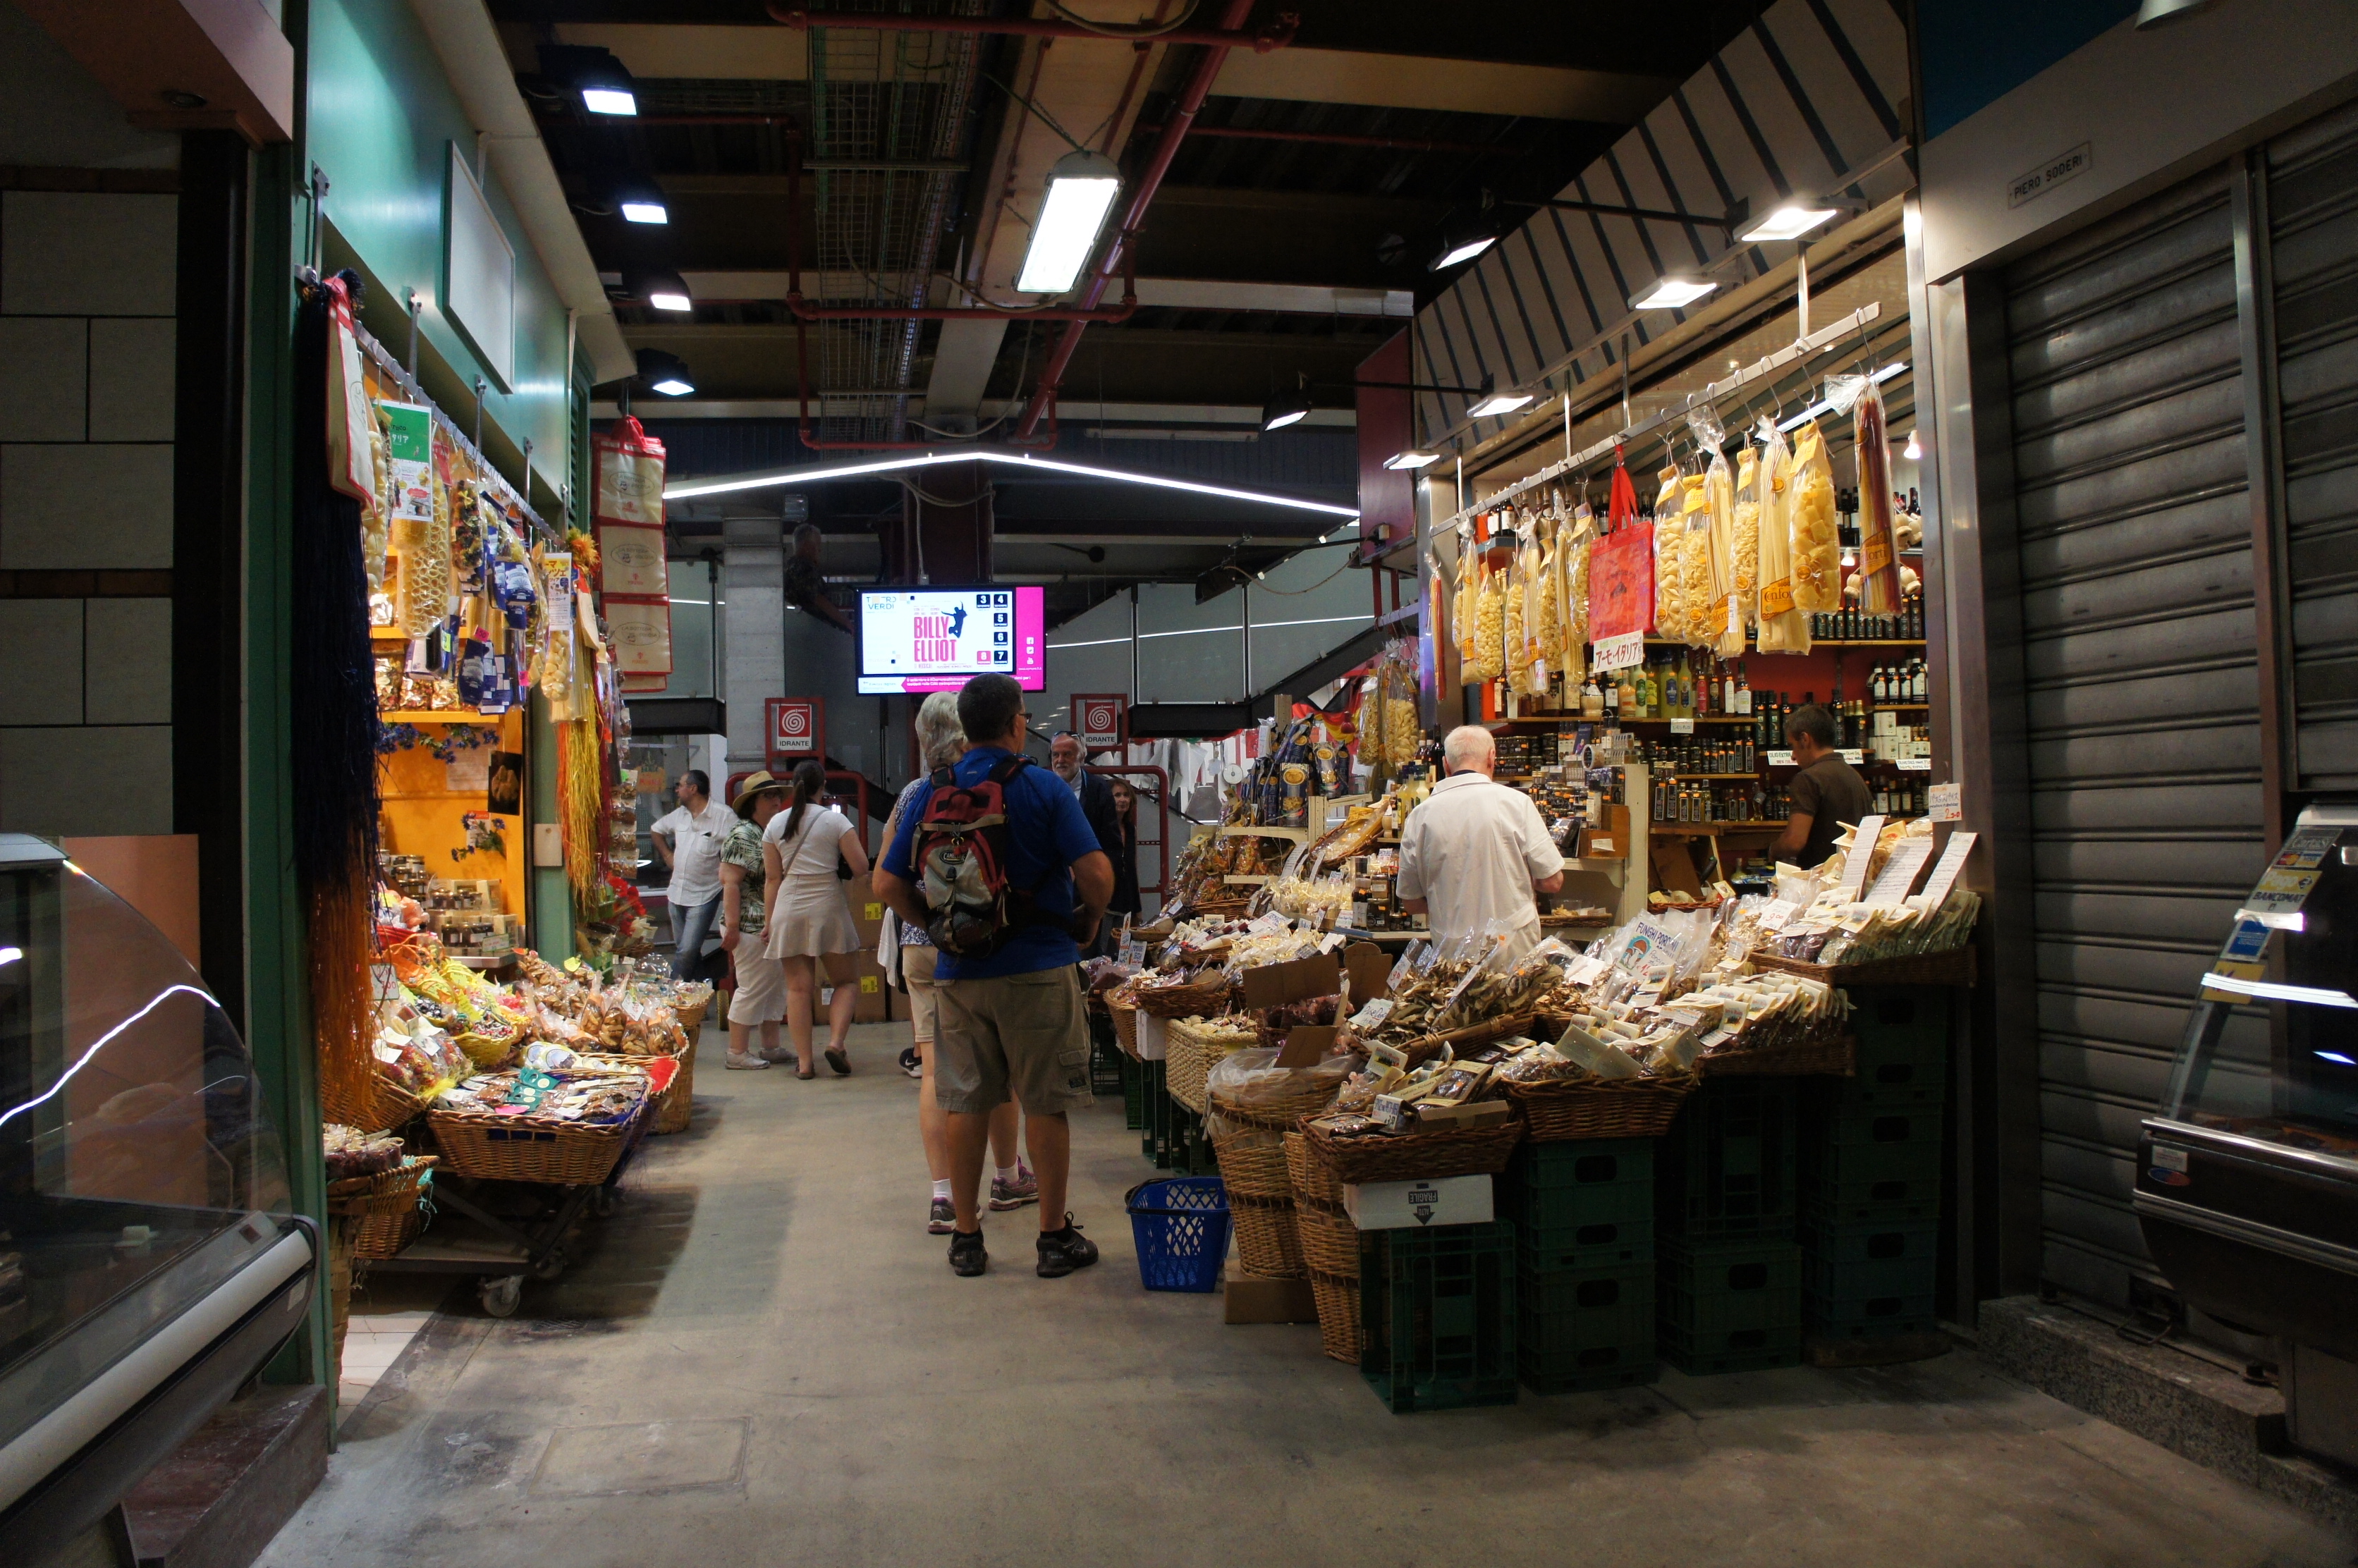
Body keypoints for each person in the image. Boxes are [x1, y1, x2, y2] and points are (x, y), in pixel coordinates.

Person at [874, 673, 1113, 1280]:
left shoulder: (933, 792)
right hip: (1037, 966)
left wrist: (934, 926)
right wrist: (1086, 923)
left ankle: (966, 1236)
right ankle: (1053, 1238)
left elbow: (885, 883)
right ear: (1015, 724)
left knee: (965, 1102)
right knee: (1045, 1103)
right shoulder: (1042, 787)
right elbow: (1097, 875)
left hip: (959, 973)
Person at [880, 691, 1033, 1233]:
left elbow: (885, 873)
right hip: (985, 943)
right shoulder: (995, 788)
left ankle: (943, 1195)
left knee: (935, 1068)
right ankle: (1008, 1176)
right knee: (1000, 1065)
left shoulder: (914, 796)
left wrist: (925, 919)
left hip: (922, 943)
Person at [1396, 725, 1567, 960]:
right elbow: (1552, 881)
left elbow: (1411, 902)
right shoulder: (1516, 803)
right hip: (1512, 950)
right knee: (1514, 996)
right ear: (1492, 757)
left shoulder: (1419, 816)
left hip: (1451, 953)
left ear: (1446, 764)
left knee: (1455, 996)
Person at [762, 760, 870, 1078]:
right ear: (823, 787)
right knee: (846, 981)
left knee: (798, 990)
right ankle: (835, 1043)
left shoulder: (775, 824)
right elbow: (861, 867)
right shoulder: (834, 822)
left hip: (788, 907)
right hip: (827, 904)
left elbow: (772, 879)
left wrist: (770, 922)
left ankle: (806, 1063)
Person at [716, 772, 793, 1071]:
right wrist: (733, 927)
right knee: (752, 986)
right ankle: (736, 1051)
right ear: (752, 803)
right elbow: (730, 882)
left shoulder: (766, 831)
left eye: (777, 795)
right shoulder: (743, 835)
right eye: (768, 797)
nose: (776, 801)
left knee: (774, 986)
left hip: (767, 924)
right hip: (749, 926)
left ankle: (770, 1046)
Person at [650, 770, 733, 983]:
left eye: (681, 785)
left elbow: (737, 848)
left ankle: (669, 993)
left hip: (705, 893)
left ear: (693, 789)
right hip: (677, 891)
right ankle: (697, 1001)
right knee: (689, 952)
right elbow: (656, 830)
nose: (677, 790)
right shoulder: (681, 815)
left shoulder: (723, 816)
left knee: (686, 950)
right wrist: (668, 856)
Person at [1770, 703, 1872, 871]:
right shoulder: (1854, 775)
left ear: (1805, 739)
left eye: (1792, 746)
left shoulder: (1808, 778)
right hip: (1856, 877)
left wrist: (1773, 849)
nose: (1793, 756)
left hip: (1823, 882)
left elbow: (1794, 842)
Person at [1049, 732, 1121, 957]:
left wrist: (1093, 876)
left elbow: (1111, 844)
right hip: (1051, 888)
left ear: (1081, 757)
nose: (1060, 760)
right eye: (1056, 754)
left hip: (1088, 888)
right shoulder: (1040, 787)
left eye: (1067, 754)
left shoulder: (1100, 790)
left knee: (1089, 956)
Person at [783, 522, 855, 635]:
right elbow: (818, 599)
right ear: (807, 546)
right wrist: (846, 623)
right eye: (817, 545)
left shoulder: (790, 566)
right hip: (813, 633)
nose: (820, 550)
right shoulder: (804, 567)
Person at [1106, 779, 1143, 931]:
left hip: (1126, 903)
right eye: (1117, 795)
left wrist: (1137, 908)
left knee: (1122, 950)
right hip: (1105, 904)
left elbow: (1132, 869)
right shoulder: (1100, 828)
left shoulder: (1130, 830)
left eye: (1126, 795)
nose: (1122, 799)